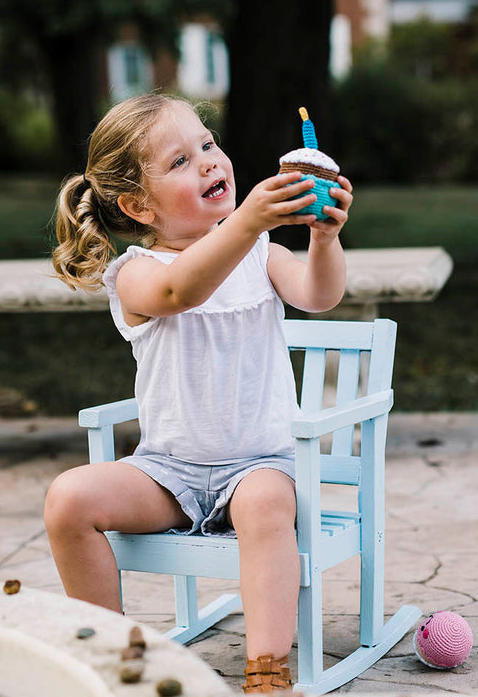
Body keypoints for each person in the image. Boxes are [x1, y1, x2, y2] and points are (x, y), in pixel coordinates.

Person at [44, 93, 353, 693]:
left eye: (208, 145)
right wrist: (248, 220)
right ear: (137, 205)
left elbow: (319, 297)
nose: (210, 162)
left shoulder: (264, 255)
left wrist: (323, 240)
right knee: (68, 499)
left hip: (259, 465)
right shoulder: (135, 272)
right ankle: (112, 655)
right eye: (181, 160)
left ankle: (267, 670)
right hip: (168, 474)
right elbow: (178, 293)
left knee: (266, 507)